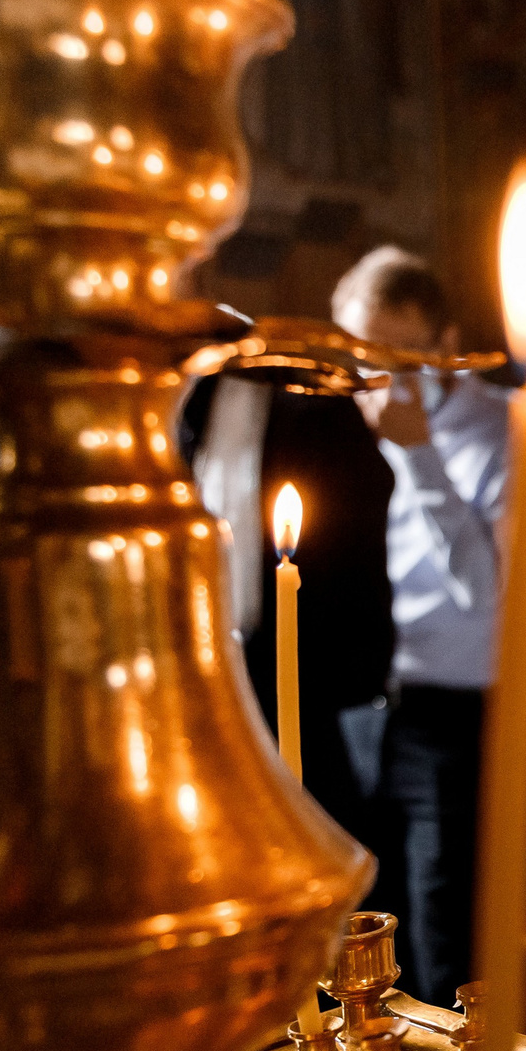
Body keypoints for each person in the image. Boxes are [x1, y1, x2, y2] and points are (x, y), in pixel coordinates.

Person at [332, 245, 526, 1010]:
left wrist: (418, 454)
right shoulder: (344, 428)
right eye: (363, 353)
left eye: (400, 353)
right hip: (360, 708)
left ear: (447, 342)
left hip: (464, 723)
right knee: (356, 944)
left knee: (444, 954)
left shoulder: (516, 430)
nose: (381, 375)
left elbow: (489, 593)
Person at [184, 350, 393, 847]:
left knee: (316, 825)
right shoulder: (194, 399)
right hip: (208, 659)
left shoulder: (317, 406)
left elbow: (355, 530)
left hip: (300, 660)